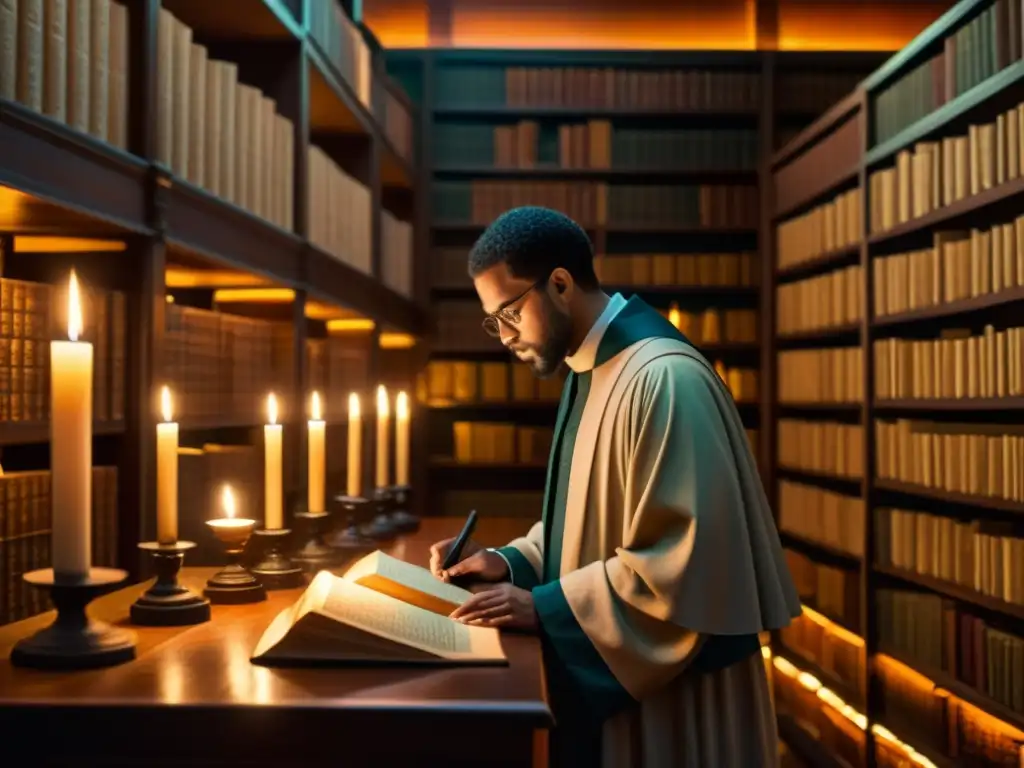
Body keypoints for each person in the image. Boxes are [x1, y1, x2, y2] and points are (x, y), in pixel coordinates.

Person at [429, 206, 801, 768]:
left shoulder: (662, 378)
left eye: (508, 312)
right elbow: (589, 521)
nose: (503, 337)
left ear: (559, 283)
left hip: (675, 700)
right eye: (493, 320)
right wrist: (509, 563)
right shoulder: (592, 367)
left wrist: (545, 608)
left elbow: (680, 566)